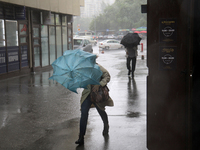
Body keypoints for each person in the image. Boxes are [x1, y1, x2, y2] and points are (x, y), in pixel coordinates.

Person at [75, 63, 114, 145]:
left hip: (97, 95)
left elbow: (107, 76)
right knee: (84, 114)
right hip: (87, 95)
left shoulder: (98, 67)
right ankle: (81, 137)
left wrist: (99, 84)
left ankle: (106, 125)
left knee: (101, 111)